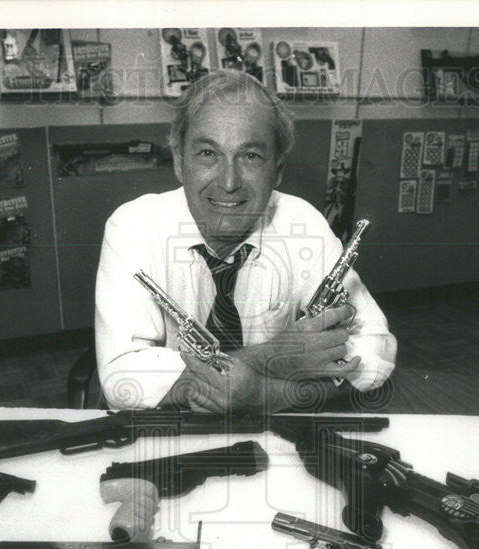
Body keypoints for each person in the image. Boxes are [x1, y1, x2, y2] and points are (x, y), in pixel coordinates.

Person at [94, 69, 396, 412]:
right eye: (208, 153)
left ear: (277, 170)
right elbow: (121, 380)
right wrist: (274, 358)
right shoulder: (133, 226)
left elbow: (377, 349)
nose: (228, 181)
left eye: (250, 156)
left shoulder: (304, 223)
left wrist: (267, 395)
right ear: (179, 162)